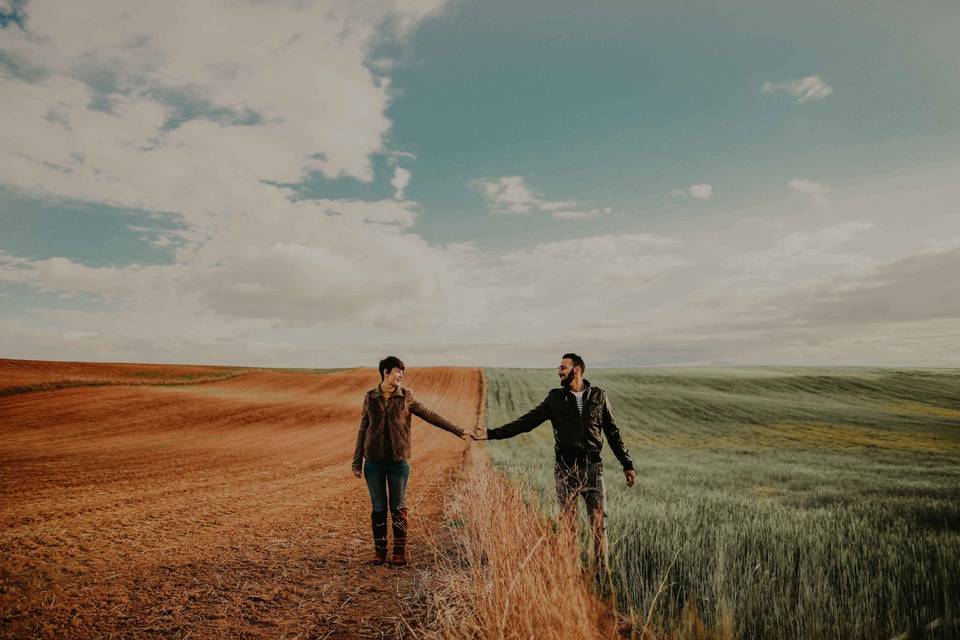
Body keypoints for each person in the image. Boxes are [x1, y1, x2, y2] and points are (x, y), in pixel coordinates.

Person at [472, 353, 636, 578]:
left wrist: (626, 464)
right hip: (564, 470)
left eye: (563, 367)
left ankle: (600, 574)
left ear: (576, 370)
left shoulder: (599, 396)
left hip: (593, 470)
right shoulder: (555, 398)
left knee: (599, 526)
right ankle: (571, 574)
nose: (558, 371)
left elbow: (613, 433)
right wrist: (491, 434)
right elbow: (526, 422)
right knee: (568, 526)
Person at [352, 356, 469, 566]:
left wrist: (458, 430)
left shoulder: (406, 397)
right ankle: (380, 552)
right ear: (386, 372)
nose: (401, 375)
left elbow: (430, 415)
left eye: (403, 372)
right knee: (378, 508)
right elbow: (363, 428)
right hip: (374, 462)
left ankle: (399, 553)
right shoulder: (370, 397)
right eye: (398, 371)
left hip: (398, 463)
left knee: (397, 507)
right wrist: (356, 460)